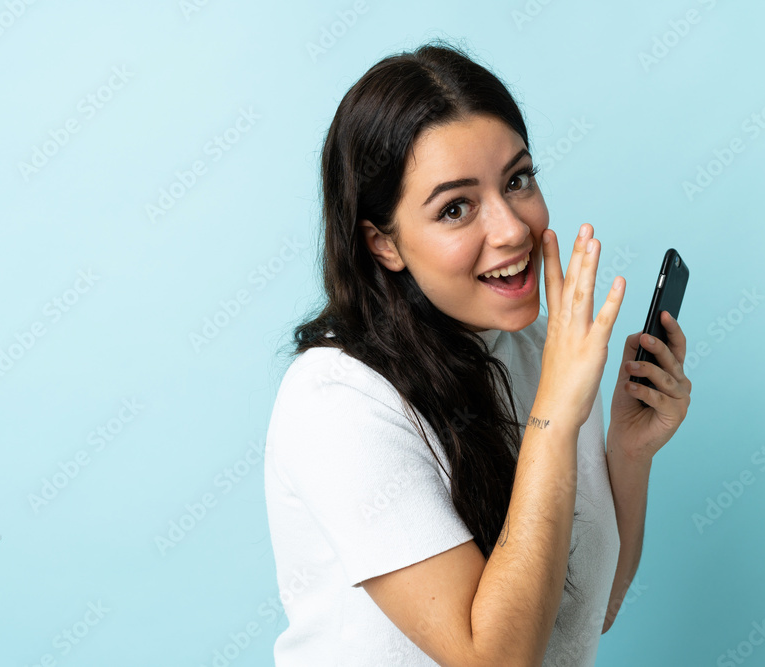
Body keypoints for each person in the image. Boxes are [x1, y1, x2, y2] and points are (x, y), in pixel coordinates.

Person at [263, 39, 692, 666]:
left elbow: (584, 615)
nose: (513, 228)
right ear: (384, 243)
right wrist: (553, 418)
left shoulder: (543, 353)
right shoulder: (336, 401)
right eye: (456, 208)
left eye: (517, 180)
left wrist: (629, 451)